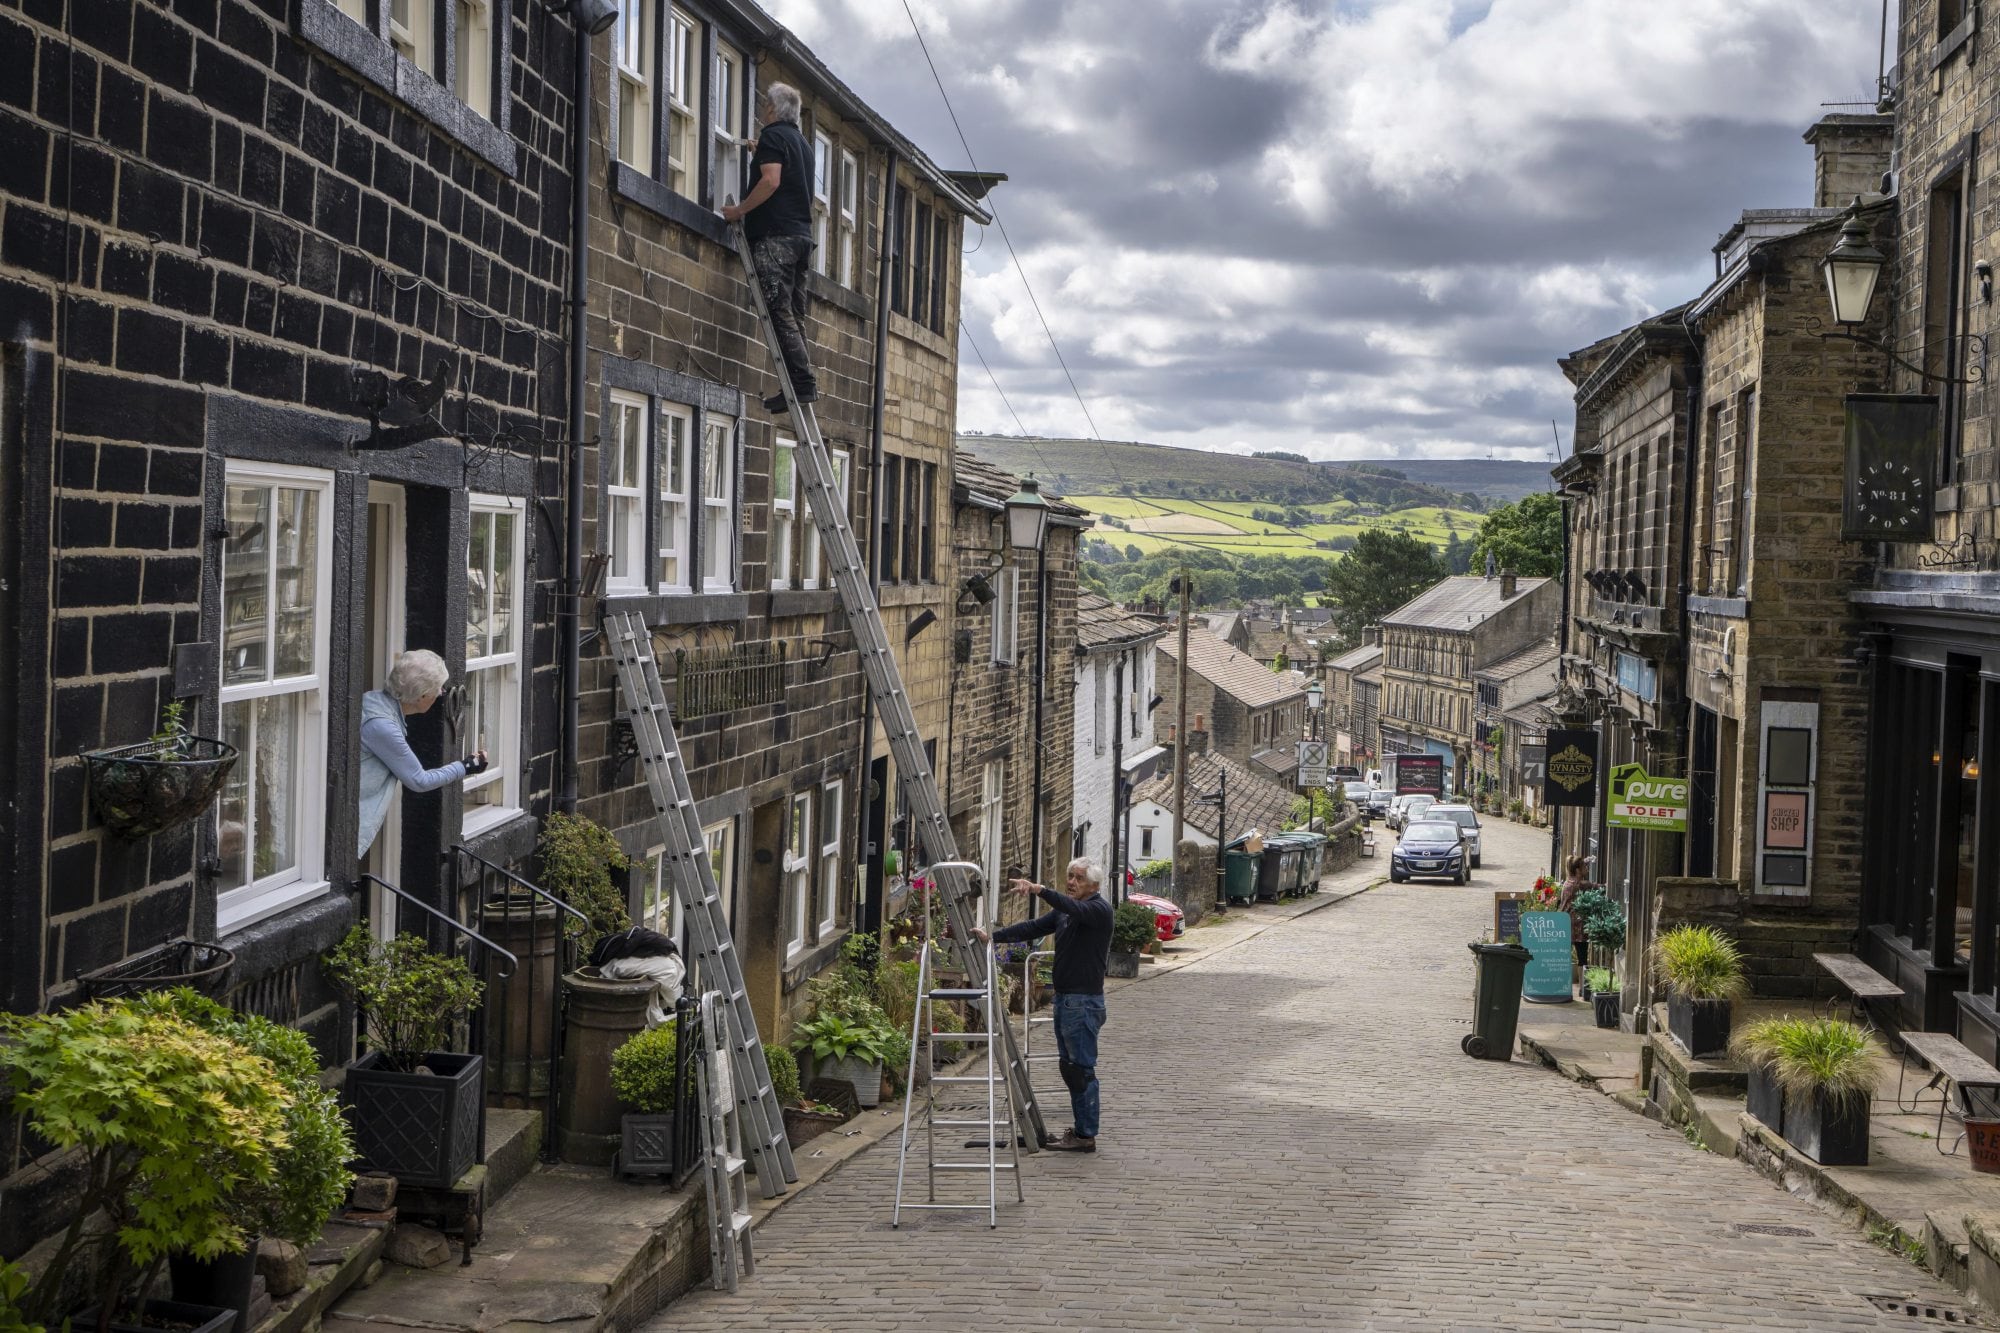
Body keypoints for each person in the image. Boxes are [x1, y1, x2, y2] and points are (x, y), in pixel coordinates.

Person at [974, 858, 1113, 1153]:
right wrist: (993, 938)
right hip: (1065, 999)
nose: (1071, 882)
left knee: (1081, 1069)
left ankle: (1086, 1134)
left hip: (1084, 1002)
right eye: (1069, 876)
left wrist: (1039, 889)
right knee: (1069, 1066)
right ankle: (1080, 1131)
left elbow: (1075, 908)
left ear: (1094, 885)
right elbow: (1033, 928)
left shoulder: (1098, 910)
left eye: (1077, 878)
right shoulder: (1064, 912)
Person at [719, 81, 817, 415]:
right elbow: (783, 172)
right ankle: (797, 385)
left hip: (776, 238)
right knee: (795, 315)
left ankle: (802, 384)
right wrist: (760, 150)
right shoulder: (800, 143)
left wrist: (740, 210)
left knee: (778, 313)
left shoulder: (774, 136)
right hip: (801, 239)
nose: (762, 109)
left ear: (773, 109)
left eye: (764, 104)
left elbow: (771, 180)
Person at [357, 649, 487, 858]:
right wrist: (467, 766)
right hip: (347, 820)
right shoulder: (382, 727)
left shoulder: (372, 700)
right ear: (422, 695)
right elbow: (419, 780)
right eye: (439, 690)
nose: (440, 694)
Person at [1557, 855, 1595, 966]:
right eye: (1584, 866)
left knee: (1563, 959)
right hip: (1577, 927)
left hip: (1566, 924)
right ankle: (1582, 981)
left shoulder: (1568, 881)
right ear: (1578, 870)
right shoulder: (1579, 884)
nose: (1587, 869)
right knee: (1582, 960)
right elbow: (1599, 887)